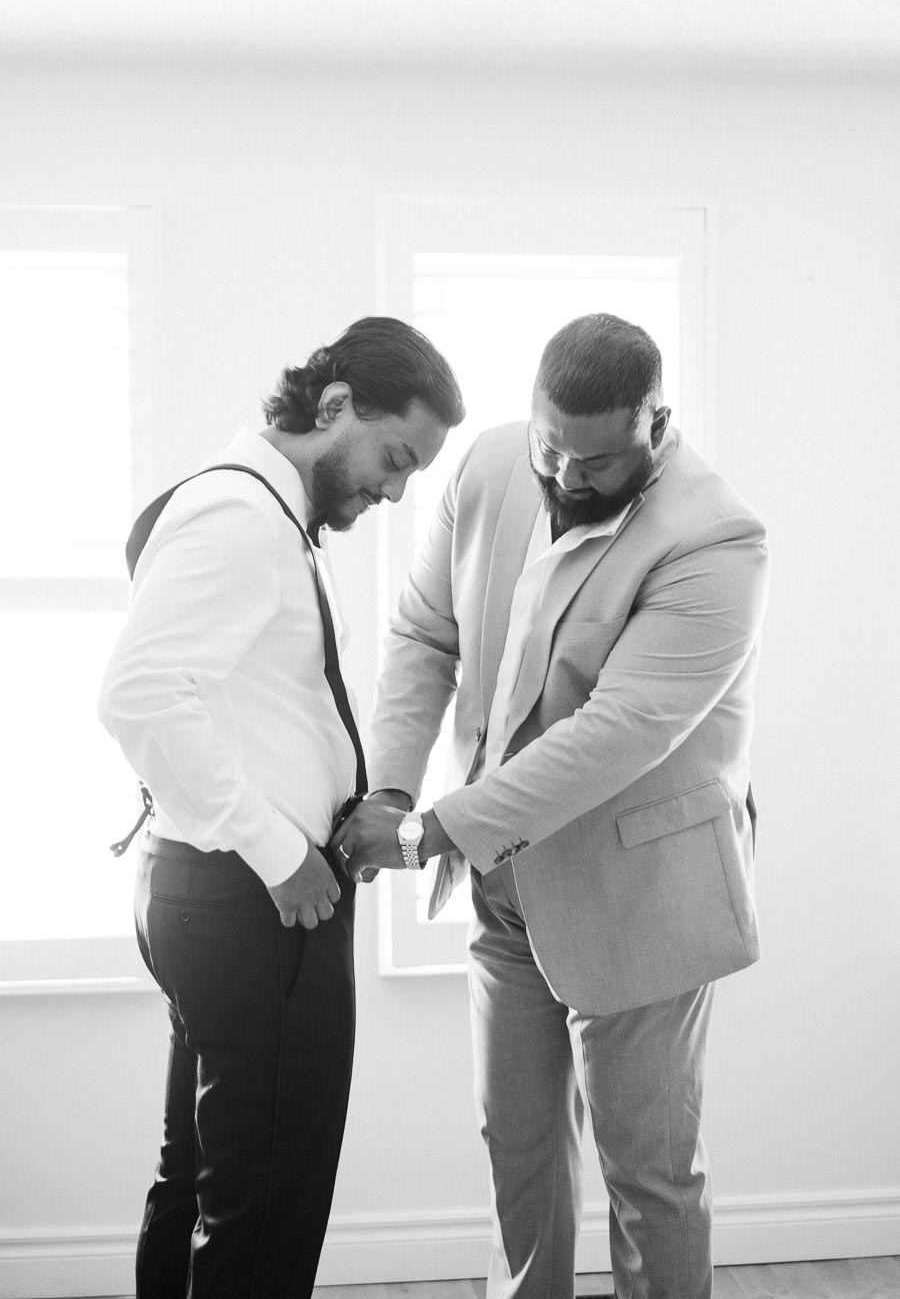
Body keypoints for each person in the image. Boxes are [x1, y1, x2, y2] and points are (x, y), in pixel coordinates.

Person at [331, 313, 769, 1299]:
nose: (567, 476)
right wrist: (396, 781)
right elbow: (424, 633)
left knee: (648, 1177)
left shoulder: (719, 539)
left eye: (597, 460)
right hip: (505, 891)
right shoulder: (490, 467)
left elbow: (621, 730)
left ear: (658, 422)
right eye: (550, 446)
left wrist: (430, 828)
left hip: (641, 895)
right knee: (516, 1157)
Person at [98, 316, 463, 1299]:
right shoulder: (242, 518)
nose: (394, 490)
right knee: (264, 1207)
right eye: (395, 458)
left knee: (205, 1181)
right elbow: (135, 695)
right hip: (251, 907)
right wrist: (280, 850)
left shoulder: (265, 511)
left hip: (212, 897)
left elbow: (250, 708)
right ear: (336, 405)